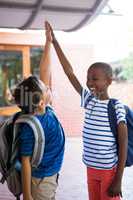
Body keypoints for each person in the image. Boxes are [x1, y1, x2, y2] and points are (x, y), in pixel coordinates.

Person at [46, 22, 128, 200]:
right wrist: (55, 42)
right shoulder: (88, 100)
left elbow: (123, 144)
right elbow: (69, 73)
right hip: (90, 168)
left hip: (109, 172)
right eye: (88, 78)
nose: (90, 83)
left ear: (108, 81)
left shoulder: (116, 106)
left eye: (95, 79)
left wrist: (118, 179)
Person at [13, 22, 65, 200]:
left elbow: (44, 70)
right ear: (41, 102)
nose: (49, 87)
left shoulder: (44, 109)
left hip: (49, 175)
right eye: (46, 89)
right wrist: (27, 195)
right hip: (40, 181)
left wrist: (48, 42)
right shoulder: (31, 127)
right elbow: (25, 162)